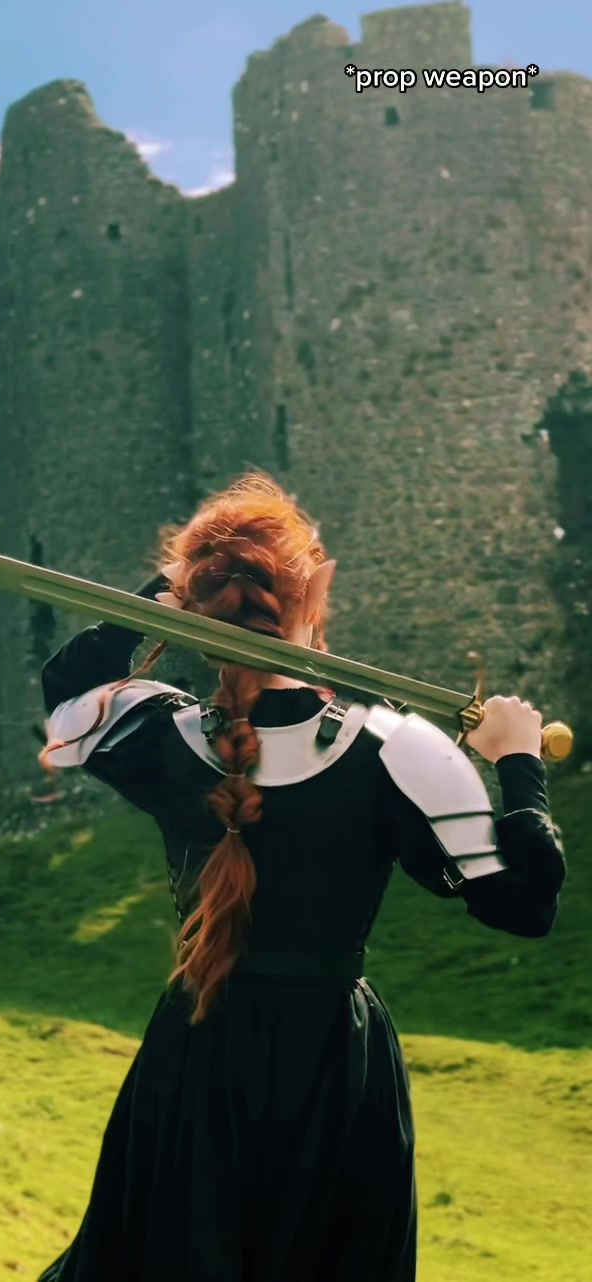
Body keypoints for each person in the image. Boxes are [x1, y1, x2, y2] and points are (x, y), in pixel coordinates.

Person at [35, 474, 566, 1282]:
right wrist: (518, 758)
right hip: (334, 1067)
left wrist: (161, 599)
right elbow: (522, 904)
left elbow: (68, 694)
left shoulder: (159, 734)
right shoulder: (400, 749)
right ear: (315, 595)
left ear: (196, 603)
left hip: (199, 1045)